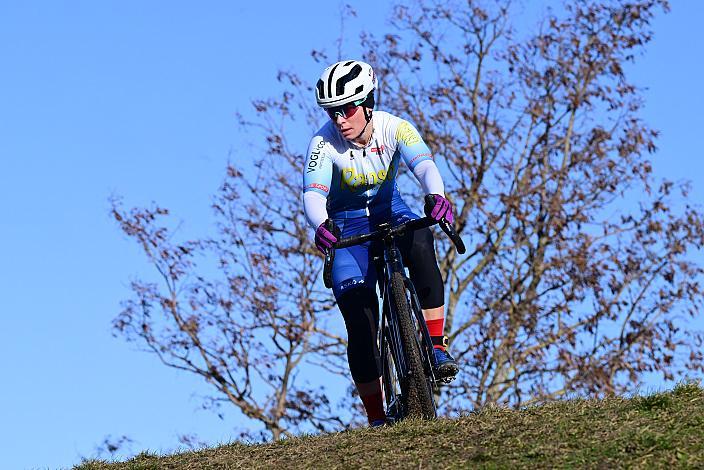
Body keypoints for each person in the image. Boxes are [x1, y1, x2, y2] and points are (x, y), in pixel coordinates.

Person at [302, 59, 459, 427]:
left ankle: (436, 346)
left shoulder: (395, 128)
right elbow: (313, 194)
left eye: (347, 108)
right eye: (332, 111)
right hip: (346, 227)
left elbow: (424, 165)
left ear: (369, 102)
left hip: (391, 211)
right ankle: (376, 418)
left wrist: (436, 196)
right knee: (359, 319)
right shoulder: (323, 144)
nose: (340, 119)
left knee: (421, 242)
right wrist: (321, 223)